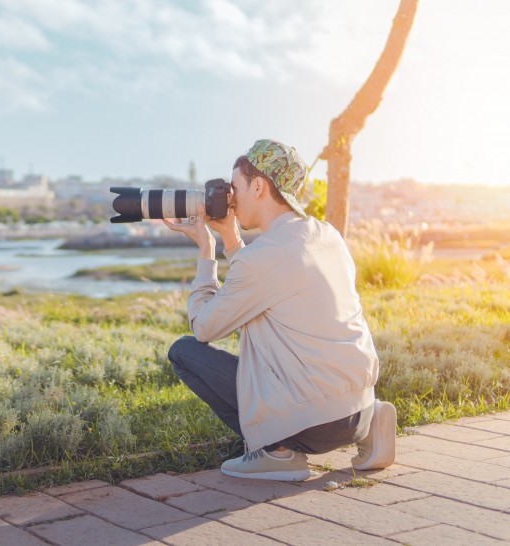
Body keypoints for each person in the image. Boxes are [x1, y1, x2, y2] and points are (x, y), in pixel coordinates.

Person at [161, 139, 396, 481]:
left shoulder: (263, 258)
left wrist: (206, 252)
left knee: (184, 352)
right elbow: (263, 277)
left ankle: (277, 452)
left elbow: (204, 327)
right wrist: (230, 234)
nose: (230, 198)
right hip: (355, 408)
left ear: (258, 186)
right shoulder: (327, 236)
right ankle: (371, 425)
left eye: (235, 187)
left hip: (311, 425)